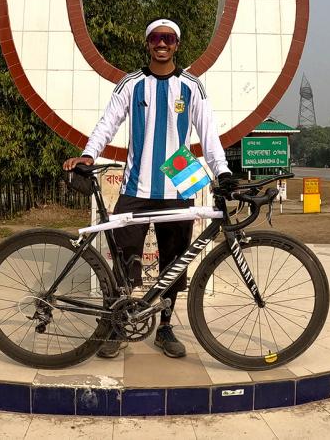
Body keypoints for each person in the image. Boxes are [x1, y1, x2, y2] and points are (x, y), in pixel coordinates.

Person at [63, 18, 235, 359]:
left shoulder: (191, 86)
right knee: (125, 262)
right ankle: (115, 327)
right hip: (135, 186)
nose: (162, 43)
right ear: (147, 43)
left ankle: (166, 328)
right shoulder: (132, 84)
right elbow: (107, 123)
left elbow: (209, 134)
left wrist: (224, 172)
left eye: (169, 38)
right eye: (156, 37)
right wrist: (87, 154)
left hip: (180, 182)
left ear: (177, 45)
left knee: (175, 264)